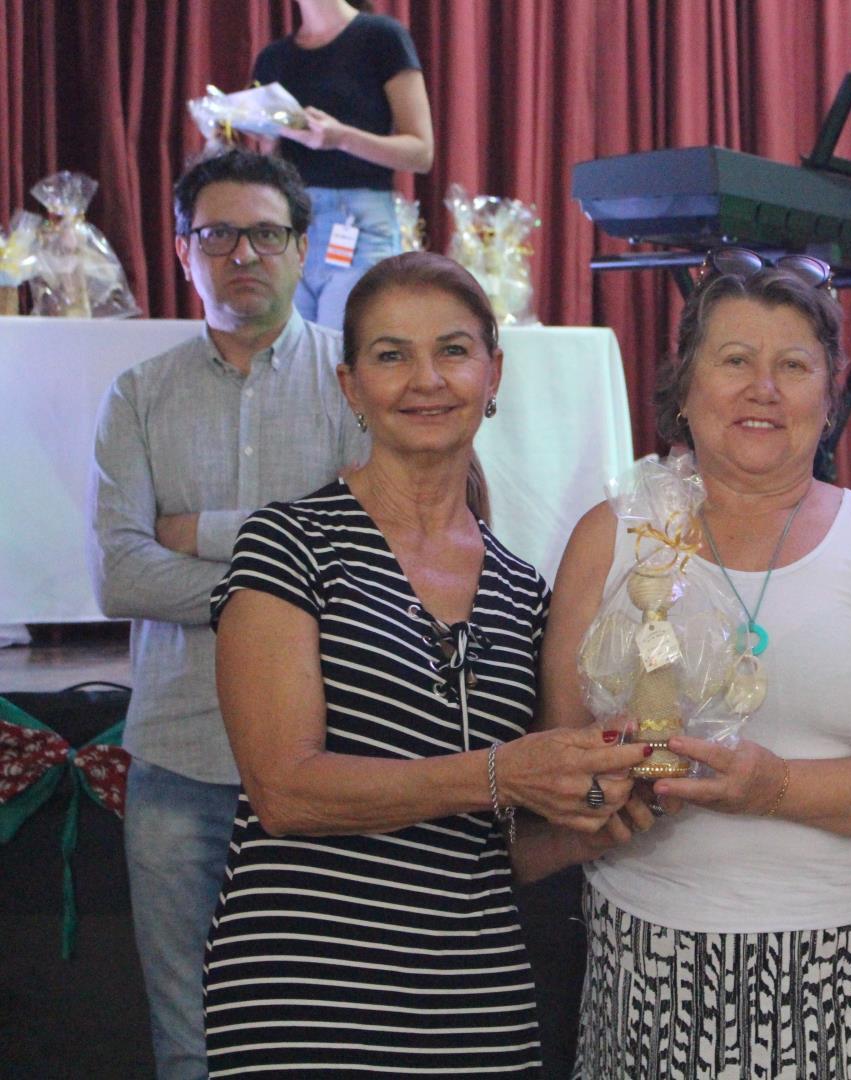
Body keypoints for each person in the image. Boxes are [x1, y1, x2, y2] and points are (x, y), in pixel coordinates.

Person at [202, 252, 647, 1077]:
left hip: (477, 1003)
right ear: (350, 385)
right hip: (304, 1000)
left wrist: (606, 805)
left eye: (452, 350)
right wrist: (505, 772)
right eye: (391, 355)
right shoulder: (289, 544)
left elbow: (503, 845)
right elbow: (285, 792)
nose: (426, 380)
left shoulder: (521, 589)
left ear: (492, 374)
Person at [539, 250, 851, 1078]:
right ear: (686, 386)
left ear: (829, 394)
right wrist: (605, 791)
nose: (762, 388)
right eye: (734, 360)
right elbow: (553, 773)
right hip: (649, 964)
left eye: (793, 366)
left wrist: (775, 787)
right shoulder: (612, 535)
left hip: (845, 966)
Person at [87, 147, 368, 1080]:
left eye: (265, 234)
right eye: (217, 235)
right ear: (183, 250)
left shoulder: (356, 382)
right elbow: (120, 576)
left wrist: (201, 531)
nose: (242, 253)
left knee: (330, 1034)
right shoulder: (139, 395)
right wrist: (286, 582)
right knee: (188, 1043)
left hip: (334, 756)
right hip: (180, 757)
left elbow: (367, 554)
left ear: (301, 249)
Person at [252, 0, 433, 328]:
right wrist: (255, 138)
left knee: (349, 349)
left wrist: (341, 138)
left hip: (359, 222)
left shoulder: (382, 37)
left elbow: (421, 153)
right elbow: (272, 161)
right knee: (292, 352)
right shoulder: (272, 59)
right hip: (289, 224)